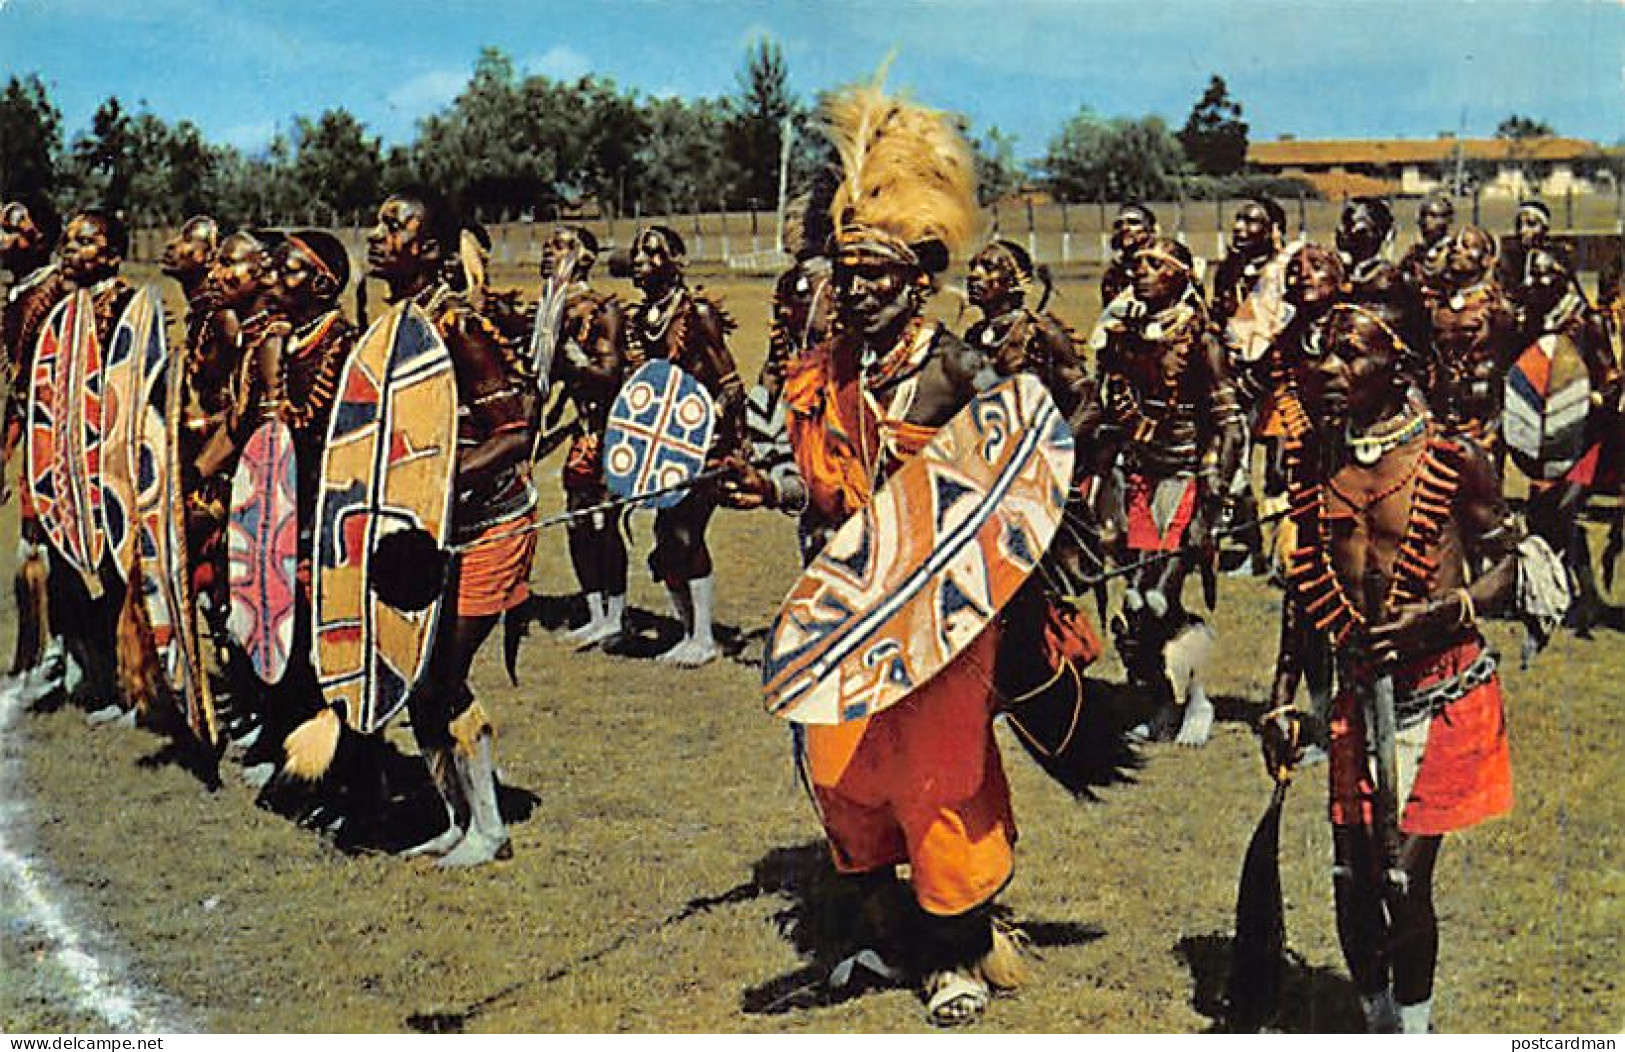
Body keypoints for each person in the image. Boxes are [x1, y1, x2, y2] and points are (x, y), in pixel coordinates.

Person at [722, 77, 1047, 1027]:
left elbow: (1017, 477)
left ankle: (956, 952)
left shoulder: (958, 367)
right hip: (840, 606)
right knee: (841, 773)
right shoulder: (828, 373)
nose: (853, 291)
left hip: (941, 616)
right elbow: (819, 481)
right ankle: (876, 933)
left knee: (937, 778)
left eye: (874, 277)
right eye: (845, 275)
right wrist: (769, 488)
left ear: (918, 278)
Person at [1264, 302, 1555, 1034]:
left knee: (1400, 879)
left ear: (1397, 364)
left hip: (1444, 694)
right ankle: (1376, 1023)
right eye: (1320, 353)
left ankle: (1413, 1033)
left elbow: (1512, 563)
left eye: (1349, 354)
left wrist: (1441, 613)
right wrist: (1278, 695)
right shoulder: (1317, 456)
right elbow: (1306, 586)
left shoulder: (1452, 458)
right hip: (1357, 698)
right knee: (1352, 884)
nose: (1328, 369)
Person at [287, 187, 536, 868]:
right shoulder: (391, 330)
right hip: (427, 539)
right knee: (415, 674)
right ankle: (457, 819)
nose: (377, 233)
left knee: (439, 680)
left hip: (489, 529)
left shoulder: (459, 326)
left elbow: (516, 433)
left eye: (394, 225)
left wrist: (435, 485)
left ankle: (490, 828)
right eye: (377, 221)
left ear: (428, 249)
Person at [1094, 235, 1246, 745]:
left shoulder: (1202, 338)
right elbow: (1112, 404)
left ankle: (1197, 700)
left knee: (1160, 596)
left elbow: (1230, 425)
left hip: (1186, 478)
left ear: (1181, 274)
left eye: (1155, 265)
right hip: (1139, 474)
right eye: (1137, 264)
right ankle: (1160, 700)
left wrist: (1214, 492)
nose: (1141, 271)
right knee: (1136, 601)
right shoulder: (1126, 332)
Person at [622, 224, 744, 667]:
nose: (641, 261)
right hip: (664, 445)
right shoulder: (638, 321)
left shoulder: (699, 314)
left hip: (705, 443)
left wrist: (714, 428)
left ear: (677, 261)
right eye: (637, 253)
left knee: (684, 532)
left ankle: (705, 635)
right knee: (665, 535)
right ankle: (689, 630)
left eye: (653, 253)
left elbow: (732, 386)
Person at [1510, 247, 1619, 636]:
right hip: (1549, 437)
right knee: (1545, 514)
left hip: (1586, 436)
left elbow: (1610, 375)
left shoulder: (1585, 320)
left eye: (1544, 274)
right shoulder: (1537, 319)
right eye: (1533, 275)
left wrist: (1591, 397)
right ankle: (1571, 593)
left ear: (1563, 275)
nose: (1537, 281)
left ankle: (1584, 597)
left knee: (1564, 509)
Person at [535, 224, 629, 648]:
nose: (550, 252)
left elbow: (609, 376)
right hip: (582, 436)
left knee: (605, 522)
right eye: (549, 245)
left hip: (611, 432)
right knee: (577, 525)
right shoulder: (549, 312)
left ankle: (617, 614)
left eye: (563, 246)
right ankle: (595, 612)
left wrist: (571, 356)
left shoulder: (602, 310)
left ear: (586, 258)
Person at [0, 194, 67, 700]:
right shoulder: (19, 293)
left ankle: (59, 654)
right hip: (33, 433)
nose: (2, 240)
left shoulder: (55, 296)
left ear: (39, 237)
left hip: (59, 446)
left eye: (11, 229)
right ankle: (43, 651)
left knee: (51, 551)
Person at [1212, 196, 1292, 577]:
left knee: (1279, 469)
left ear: (1274, 230)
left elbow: (1288, 327)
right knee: (1232, 465)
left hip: (1277, 380)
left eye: (1253, 221)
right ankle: (1249, 547)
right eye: (1239, 219)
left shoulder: (1287, 271)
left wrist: (1259, 374)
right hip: (1234, 379)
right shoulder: (1228, 272)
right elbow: (1219, 319)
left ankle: (1284, 554)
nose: (1241, 228)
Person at [1427, 226, 1518, 459]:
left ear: (1487, 260)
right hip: (1441, 409)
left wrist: (1498, 422)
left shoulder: (1496, 308)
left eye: (1467, 246)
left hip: (1483, 410)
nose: (1456, 249)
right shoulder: (1437, 304)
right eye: (1454, 245)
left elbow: (1512, 364)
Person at [1397, 195, 1454, 312]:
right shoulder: (1414, 253)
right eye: (1423, 216)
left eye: (1433, 216)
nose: (1426, 221)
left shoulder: (1455, 253)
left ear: (1448, 220)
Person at [1100, 203, 1158, 307]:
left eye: (1133, 222)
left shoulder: (1167, 266)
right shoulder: (1113, 275)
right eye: (1119, 225)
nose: (1125, 228)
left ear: (1151, 229)